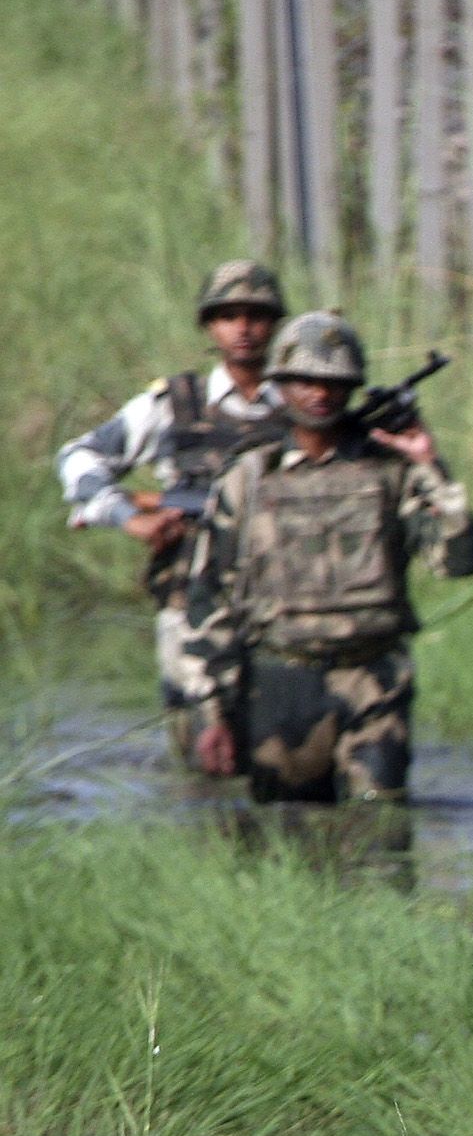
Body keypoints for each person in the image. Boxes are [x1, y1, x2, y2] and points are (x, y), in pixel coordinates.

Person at [175, 310, 473, 805]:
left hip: (373, 678)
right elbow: (209, 598)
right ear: (281, 385)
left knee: (382, 821)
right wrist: (213, 712)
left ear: (353, 387)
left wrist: (430, 463)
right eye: (305, 382)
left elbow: (459, 562)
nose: (320, 395)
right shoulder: (249, 479)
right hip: (280, 681)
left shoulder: (391, 472)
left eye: (334, 384)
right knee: (287, 831)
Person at [54, 259, 291, 766]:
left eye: (256, 314)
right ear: (209, 325)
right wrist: (127, 517)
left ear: (276, 323)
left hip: (287, 605)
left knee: (290, 757)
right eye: (228, 315)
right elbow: (80, 457)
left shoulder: (304, 403)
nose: (244, 328)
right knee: (202, 755)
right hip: (192, 602)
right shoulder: (175, 405)